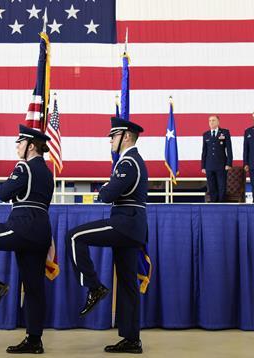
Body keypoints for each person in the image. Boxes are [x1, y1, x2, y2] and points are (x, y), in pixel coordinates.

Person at [0, 125, 53, 354]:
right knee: (35, 288)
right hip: (42, 232)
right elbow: (44, 206)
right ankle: (34, 340)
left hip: (22, 226)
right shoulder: (48, 172)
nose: (17, 146)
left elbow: (3, 193)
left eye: (20, 142)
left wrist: (11, 187)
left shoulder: (23, 167)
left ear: (31, 146)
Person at [66, 117, 147, 354]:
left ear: (127, 137)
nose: (110, 139)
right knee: (128, 283)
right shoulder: (131, 161)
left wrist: (105, 189)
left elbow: (108, 194)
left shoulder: (128, 163)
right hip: (133, 225)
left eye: (114, 135)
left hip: (125, 223)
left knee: (74, 236)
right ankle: (132, 339)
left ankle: (94, 287)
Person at [201, 115, 233, 202]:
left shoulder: (225, 132)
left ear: (218, 122)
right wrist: (203, 166)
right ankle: (214, 204)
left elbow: (229, 149)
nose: (211, 122)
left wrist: (229, 163)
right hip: (209, 165)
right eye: (210, 121)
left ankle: (221, 204)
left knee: (221, 186)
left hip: (221, 165)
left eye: (213, 120)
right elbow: (204, 151)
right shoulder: (206, 135)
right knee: (212, 186)